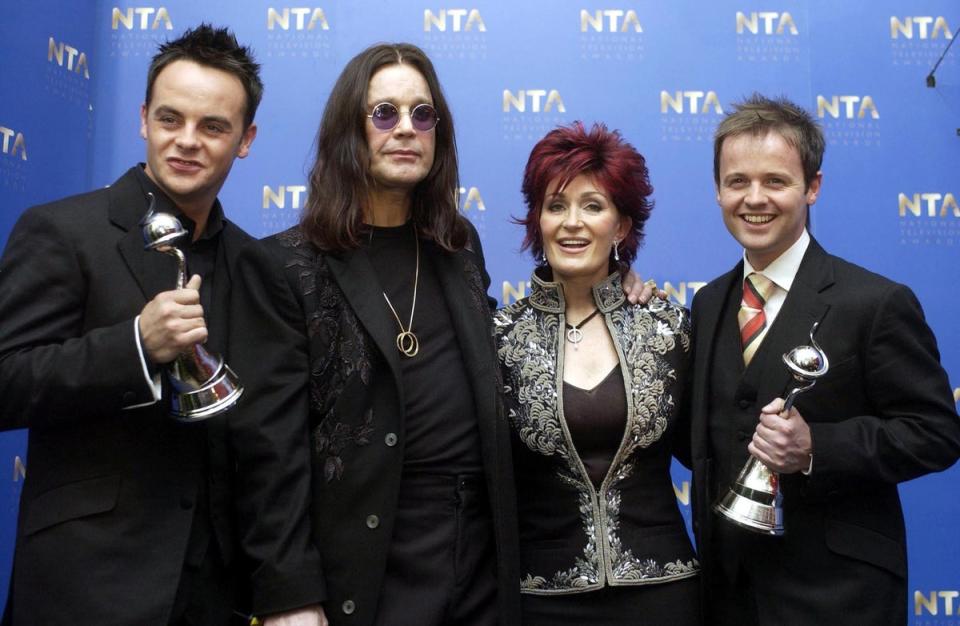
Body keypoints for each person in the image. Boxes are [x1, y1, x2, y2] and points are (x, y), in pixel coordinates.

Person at [0, 25, 322, 625]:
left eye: (213, 127)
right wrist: (135, 346)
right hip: (83, 589)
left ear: (246, 140)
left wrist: (291, 596)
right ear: (143, 118)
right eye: (170, 119)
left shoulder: (262, 270)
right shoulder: (64, 232)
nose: (187, 141)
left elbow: (274, 450)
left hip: (214, 600)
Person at [228, 43, 521, 626]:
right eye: (384, 113)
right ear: (348, 132)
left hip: (481, 552)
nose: (406, 129)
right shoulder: (285, 264)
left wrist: (611, 281)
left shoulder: (458, 246)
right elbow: (270, 452)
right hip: (369, 549)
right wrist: (289, 592)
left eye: (422, 114)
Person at [687, 94, 960, 624]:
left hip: (839, 597)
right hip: (727, 594)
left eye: (776, 181)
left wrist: (817, 448)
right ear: (717, 191)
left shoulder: (875, 302)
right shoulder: (707, 303)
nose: (754, 198)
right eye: (737, 181)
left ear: (812, 187)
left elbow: (936, 433)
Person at [493, 122, 701, 626]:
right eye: (556, 205)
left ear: (622, 226)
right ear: (537, 221)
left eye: (593, 206)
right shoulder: (498, 338)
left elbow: (711, 451)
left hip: (662, 592)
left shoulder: (669, 327)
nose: (572, 223)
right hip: (542, 598)